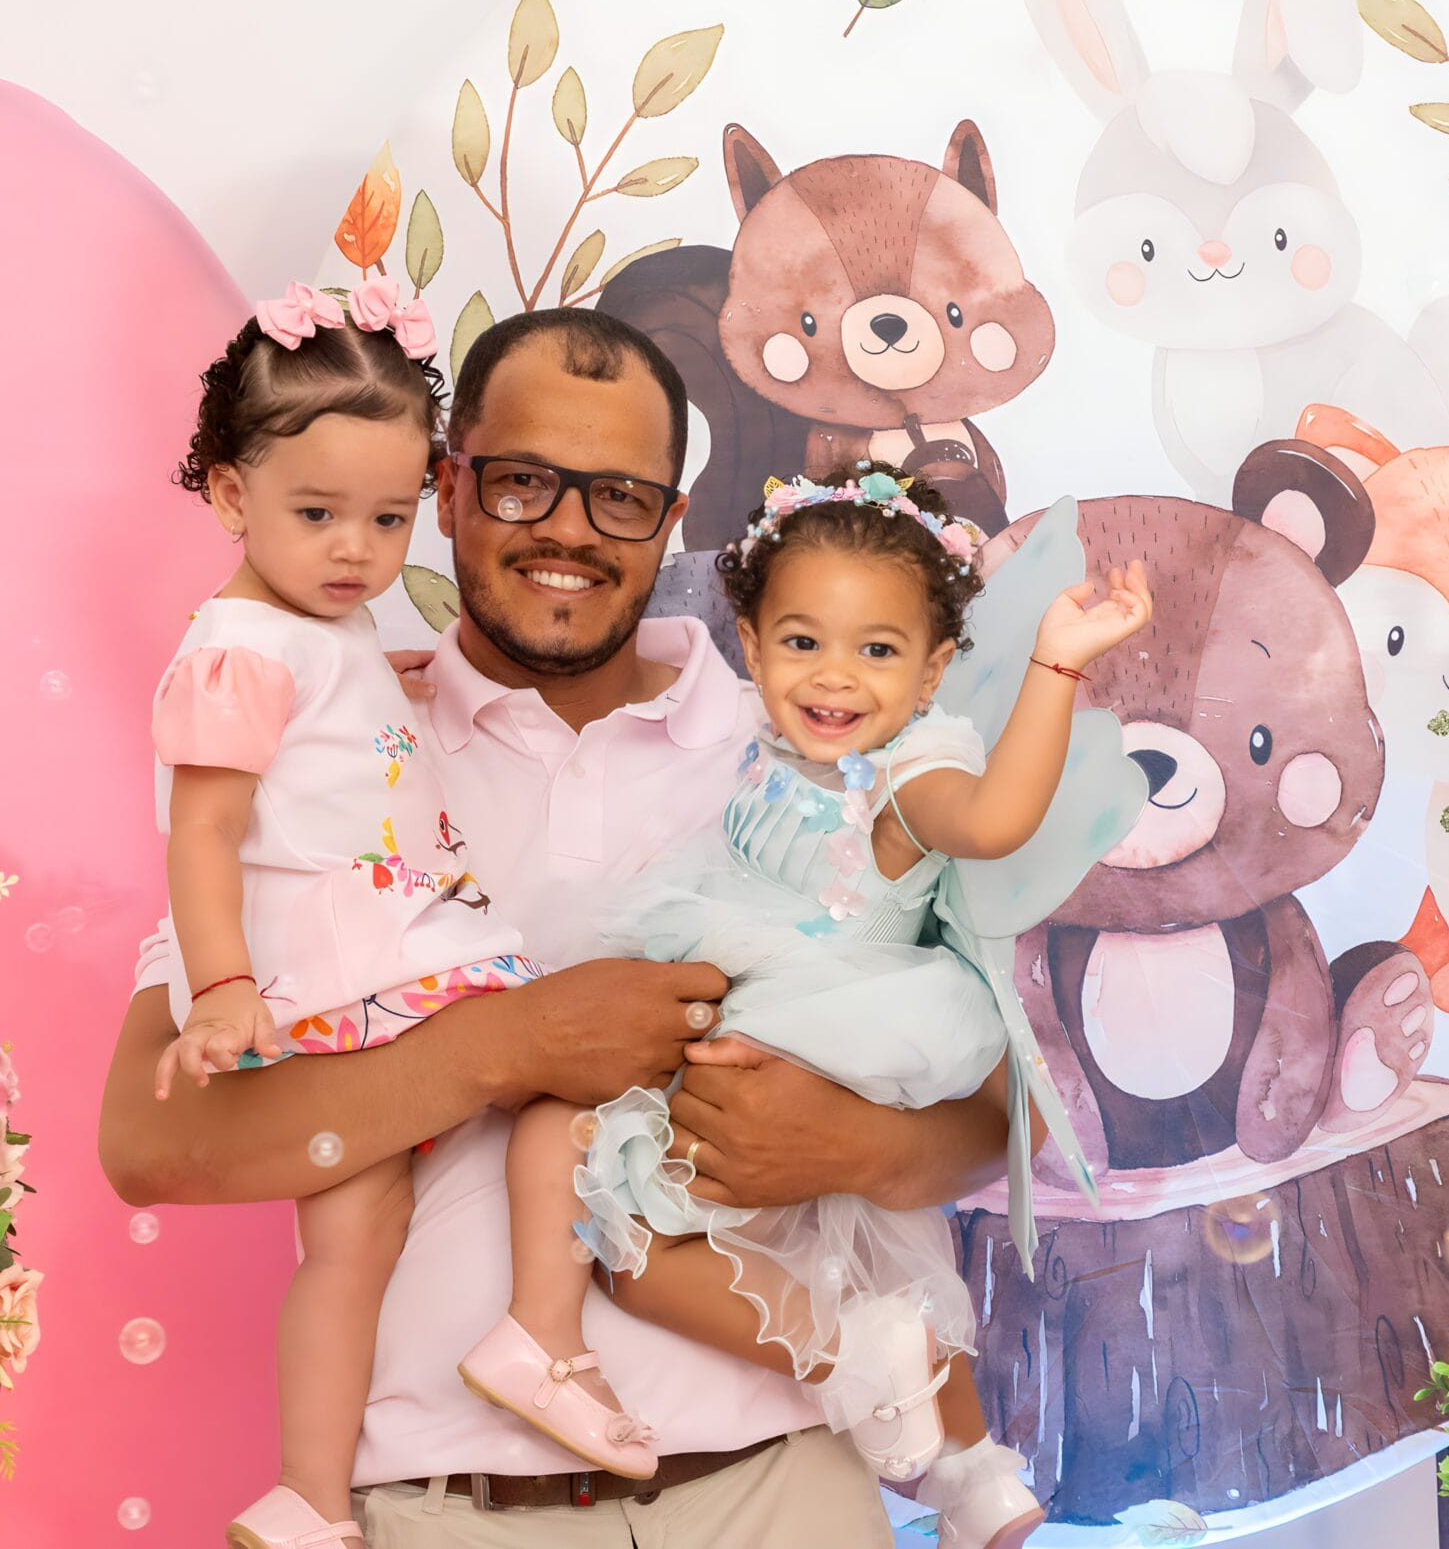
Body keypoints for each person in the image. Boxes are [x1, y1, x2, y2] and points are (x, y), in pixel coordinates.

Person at [99, 307, 1034, 1548]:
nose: (570, 528)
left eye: (620, 496)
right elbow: (150, 1144)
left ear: (673, 515)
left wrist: (854, 1142)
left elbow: (999, 1119)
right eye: (522, 480)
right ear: (445, 486)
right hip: (450, 1509)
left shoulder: (814, 739)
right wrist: (506, 1046)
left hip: (782, 1480)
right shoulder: (332, 743)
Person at [458, 460, 1149, 1549]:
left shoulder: (911, 777)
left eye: (877, 651)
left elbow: (996, 820)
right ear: (749, 642)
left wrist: (1056, 664)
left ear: (933, 670)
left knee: (623, 1231)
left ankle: (577, 1338)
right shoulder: (774, 748)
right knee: (881, 1254)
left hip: (810, 1021)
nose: (835, 677)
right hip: (765, 1005)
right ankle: (974, 1476)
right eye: (801, 641)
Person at [140, 278, 569, 1549]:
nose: (356, 550)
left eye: (388, 518)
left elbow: (315, 721)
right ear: (230, 494)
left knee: (356, 1237)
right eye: (317, 513)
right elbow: (203, 828)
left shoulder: (312, 628)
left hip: (371, 953)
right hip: (345, 964)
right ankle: (539, 1336)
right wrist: (223, 987)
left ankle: (312, 1494)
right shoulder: (238, 648)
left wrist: (378, 674)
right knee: (557, 1078)